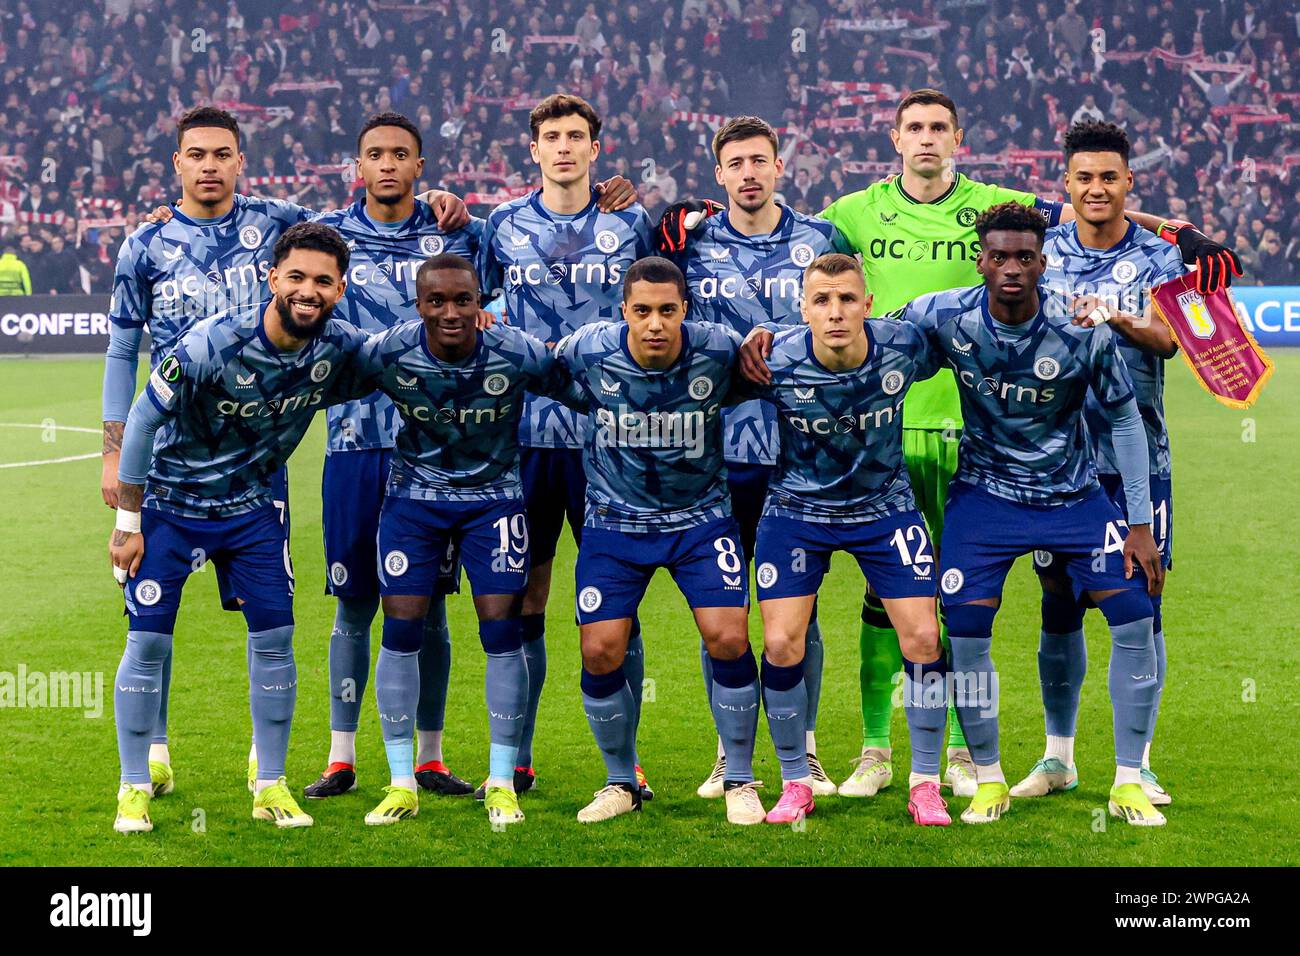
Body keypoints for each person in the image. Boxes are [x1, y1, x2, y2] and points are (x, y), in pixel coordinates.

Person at [107, 222, 377, 832]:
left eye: (324, 281)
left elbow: (401, 353)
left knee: (275, 639)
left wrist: (482, 325)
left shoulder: (339, 346)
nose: (309, 291)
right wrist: (128, 523)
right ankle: (133, 788)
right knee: (147, 643)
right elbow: (144, 421)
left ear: (339, 289)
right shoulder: (212, 341)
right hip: (172, 508)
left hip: (254, 512)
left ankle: (273, 786)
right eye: (298, 277)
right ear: (271, 277)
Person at [354, 254, 583, 828]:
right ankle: (402, 780)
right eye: (438, 301)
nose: (451, 312)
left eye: (463, 300)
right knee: (401, 630)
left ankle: (501, 781)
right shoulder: (389, 351)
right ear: (419, 303)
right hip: (413, 503)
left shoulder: (515, 350)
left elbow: (579, 386)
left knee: (502, 635)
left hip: (495, 503)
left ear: (481, 301)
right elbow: (321, 378)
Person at [660, 115, 851, 799]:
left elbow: (851, 318)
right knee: (725, 612)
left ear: (779, 166)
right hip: (717, 454)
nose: (748, 173)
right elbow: (657, 310)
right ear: (719, 174)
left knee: (800, 612)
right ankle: (728, 751)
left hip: (805, 451)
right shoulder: (692, 242)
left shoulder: (821, 239)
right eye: (735, 162)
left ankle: (806, 750)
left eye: (759, 161)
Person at [479, 92, 655, 799]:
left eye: (576, 136)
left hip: (609, 437)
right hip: (522, 435)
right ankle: (516, 756)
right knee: (525, 595)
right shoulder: (501, 227)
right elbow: (473, 304)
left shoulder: (630, 222)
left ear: (595, 147)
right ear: (533, 148)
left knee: (615, 599)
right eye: (551, 136)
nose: (563, 147)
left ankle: (628, 759)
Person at [738, 254, 952, 826]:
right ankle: (793, 782)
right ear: (803, 308)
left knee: (925, 638)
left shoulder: (904, 346)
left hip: (885, 510)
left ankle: (925, 782)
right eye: (823, 301)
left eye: (847, 300)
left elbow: (968, 323)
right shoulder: (774, 359)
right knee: (782, 644)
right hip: (797, 511)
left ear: (868, 304)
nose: (836, 313)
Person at [553, 257, 761, 825]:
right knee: (599, 650)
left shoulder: (718, 348)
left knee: (727, 637)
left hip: (701, 521)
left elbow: (763, 369)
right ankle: (620, 781)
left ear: (684, 311)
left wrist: (769, 337)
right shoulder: (590, 348)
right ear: (623, 311)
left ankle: (740, 777)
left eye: (667, 311)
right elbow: (537, 365)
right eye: (642, 311)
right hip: (614, 526)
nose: (654, 324)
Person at [1014, 121, 1185, 809]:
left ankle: (1137, 765)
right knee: (1060, 606)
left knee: (1144, 606)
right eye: (1084, 177)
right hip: (1058, 460)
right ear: (1066, 184)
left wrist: (1115, 318)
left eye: (1109, 177)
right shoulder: (1042, 250)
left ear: (1128, 183)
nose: (1096, 189)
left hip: (1139, 453)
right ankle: (1059, 758)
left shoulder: (1158, 259)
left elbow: (1171, 340)